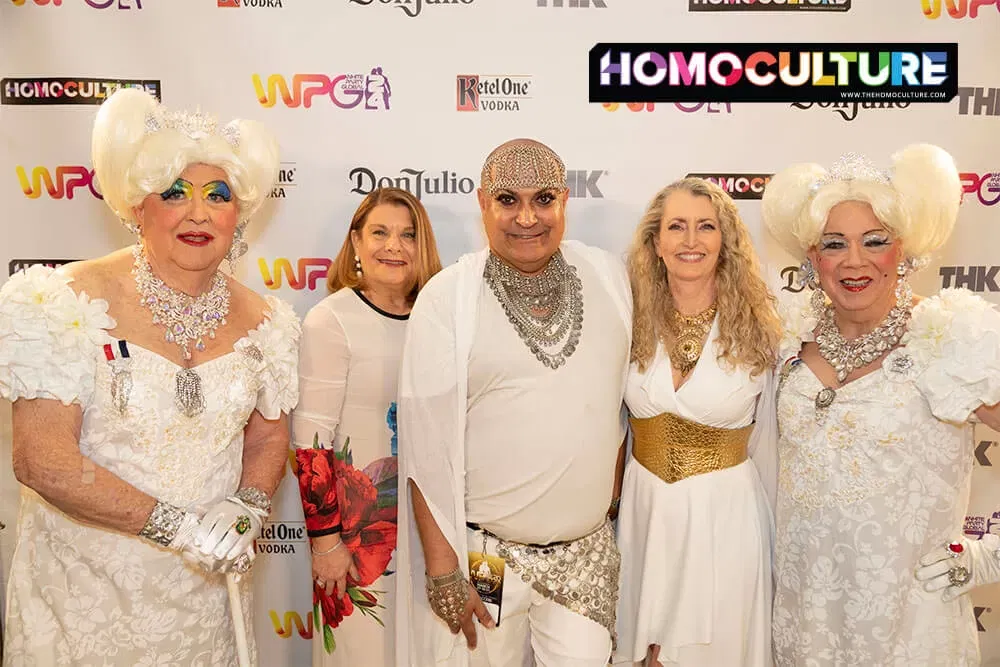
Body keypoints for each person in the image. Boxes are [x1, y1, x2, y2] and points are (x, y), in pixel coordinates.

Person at [0, 87, 300, 666]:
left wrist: (248, 505)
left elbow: (268, 435)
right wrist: (178, 530)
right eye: (174, 193)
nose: (198, 213)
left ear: (239, 214)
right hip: (82, 597)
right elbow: (41, 459)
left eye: (218, 195)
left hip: (207, 599)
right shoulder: (59, 302)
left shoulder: (269, 322)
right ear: (138, 207)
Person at [394, 138, 632, 667]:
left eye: (543, 199)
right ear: (482, 202)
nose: (527, 217)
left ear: (565, 200)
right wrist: (441, 568)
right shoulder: (447, 298)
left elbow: (620, 409)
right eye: (508, 200)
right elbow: (425, 447)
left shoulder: (611, 279)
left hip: (584, 556)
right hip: (486, 559)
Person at [761, 144, 1000, 666]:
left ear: (905, 252)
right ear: (810, 259)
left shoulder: (950, 338)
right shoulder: (786, 341)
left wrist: (989, 559)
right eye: (833, 244)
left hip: (913, 628)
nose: (854, 261)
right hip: (804, 626)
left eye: (875, 241)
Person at [613, 178, 781, 667]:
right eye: (677, 227)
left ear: (725, 240)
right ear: (656, 241)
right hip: (646, 515)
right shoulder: (626, 314)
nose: (691, 241)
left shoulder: (764, 324)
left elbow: (771, 439)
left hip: (725, 521)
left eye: (706, 227)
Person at [292, 186, 443, 666]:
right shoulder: (331, 320)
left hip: (434, 540)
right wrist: (327, 544)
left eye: (408, 235)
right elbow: (310, 445)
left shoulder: (440, 320)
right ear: (355, 242)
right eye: (379, 232)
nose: (394, 247)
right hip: (358, 546)